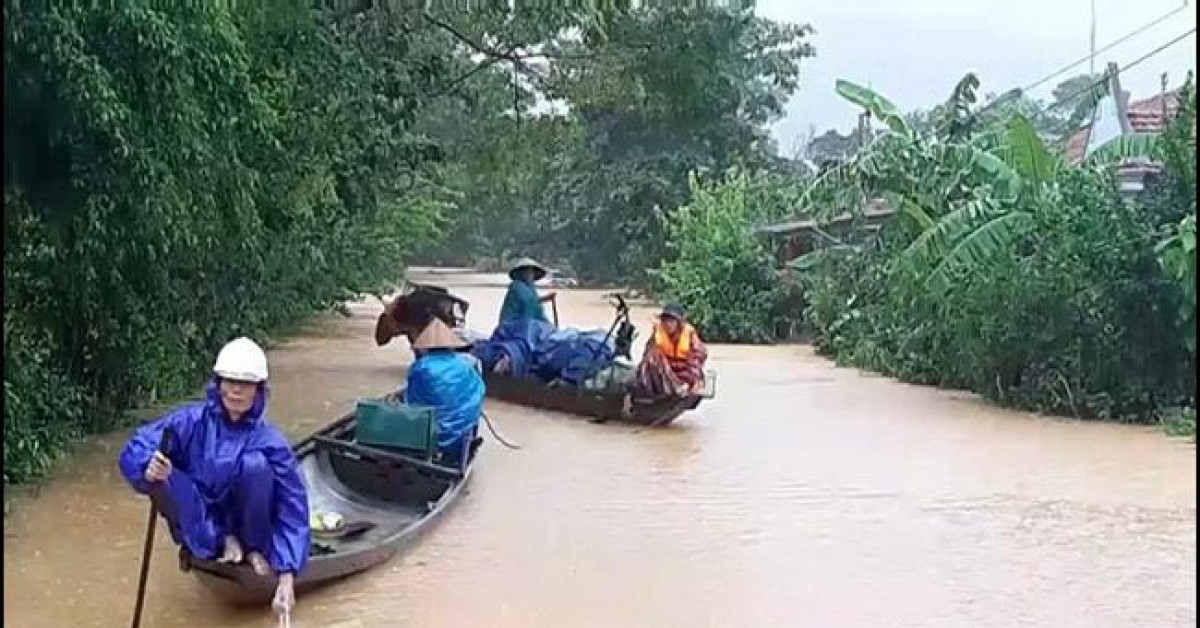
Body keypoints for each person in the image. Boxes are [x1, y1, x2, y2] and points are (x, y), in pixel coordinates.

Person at [117, 337, 308, 618]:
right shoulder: (190, 422)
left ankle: (253, 548)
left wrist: (287, 577)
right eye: (229, 381)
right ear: (218, 384)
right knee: (162, 472)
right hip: (201, 520)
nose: (236, 390)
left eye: (245, 384)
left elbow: (293, 507)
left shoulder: (271, 442)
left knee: (256, 466)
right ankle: (220, 542)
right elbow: (137, 445)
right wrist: (146, 466)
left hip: (250, 525)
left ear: (258, 390)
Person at [403, 318, 486, 464]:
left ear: (426, 347)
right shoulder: (467, 363)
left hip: (431, 435)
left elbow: (411, 403)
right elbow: (479, 390)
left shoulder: (420, 367)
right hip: (461, 429)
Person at [634, 303, 708, 398]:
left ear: (679, 322)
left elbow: (698, 356)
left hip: (685, 374)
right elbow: (646, 356)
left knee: (694, 360)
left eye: (671, 321)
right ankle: (651, 391)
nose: (668, 324)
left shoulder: (689, 335)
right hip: (664, 375)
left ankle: (681, 387)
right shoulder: (658, 334)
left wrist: (695, 381)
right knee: (652, 356)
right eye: (665, 321)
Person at [498, 257, 556, 326]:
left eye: (531, 272)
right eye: (526, 271)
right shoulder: (516, 286)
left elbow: (534, 304)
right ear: (519, 273)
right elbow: (528, 301)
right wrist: (544, 298)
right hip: (513, 325)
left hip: (527, 324)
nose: (529, 274)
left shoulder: (530, 288)